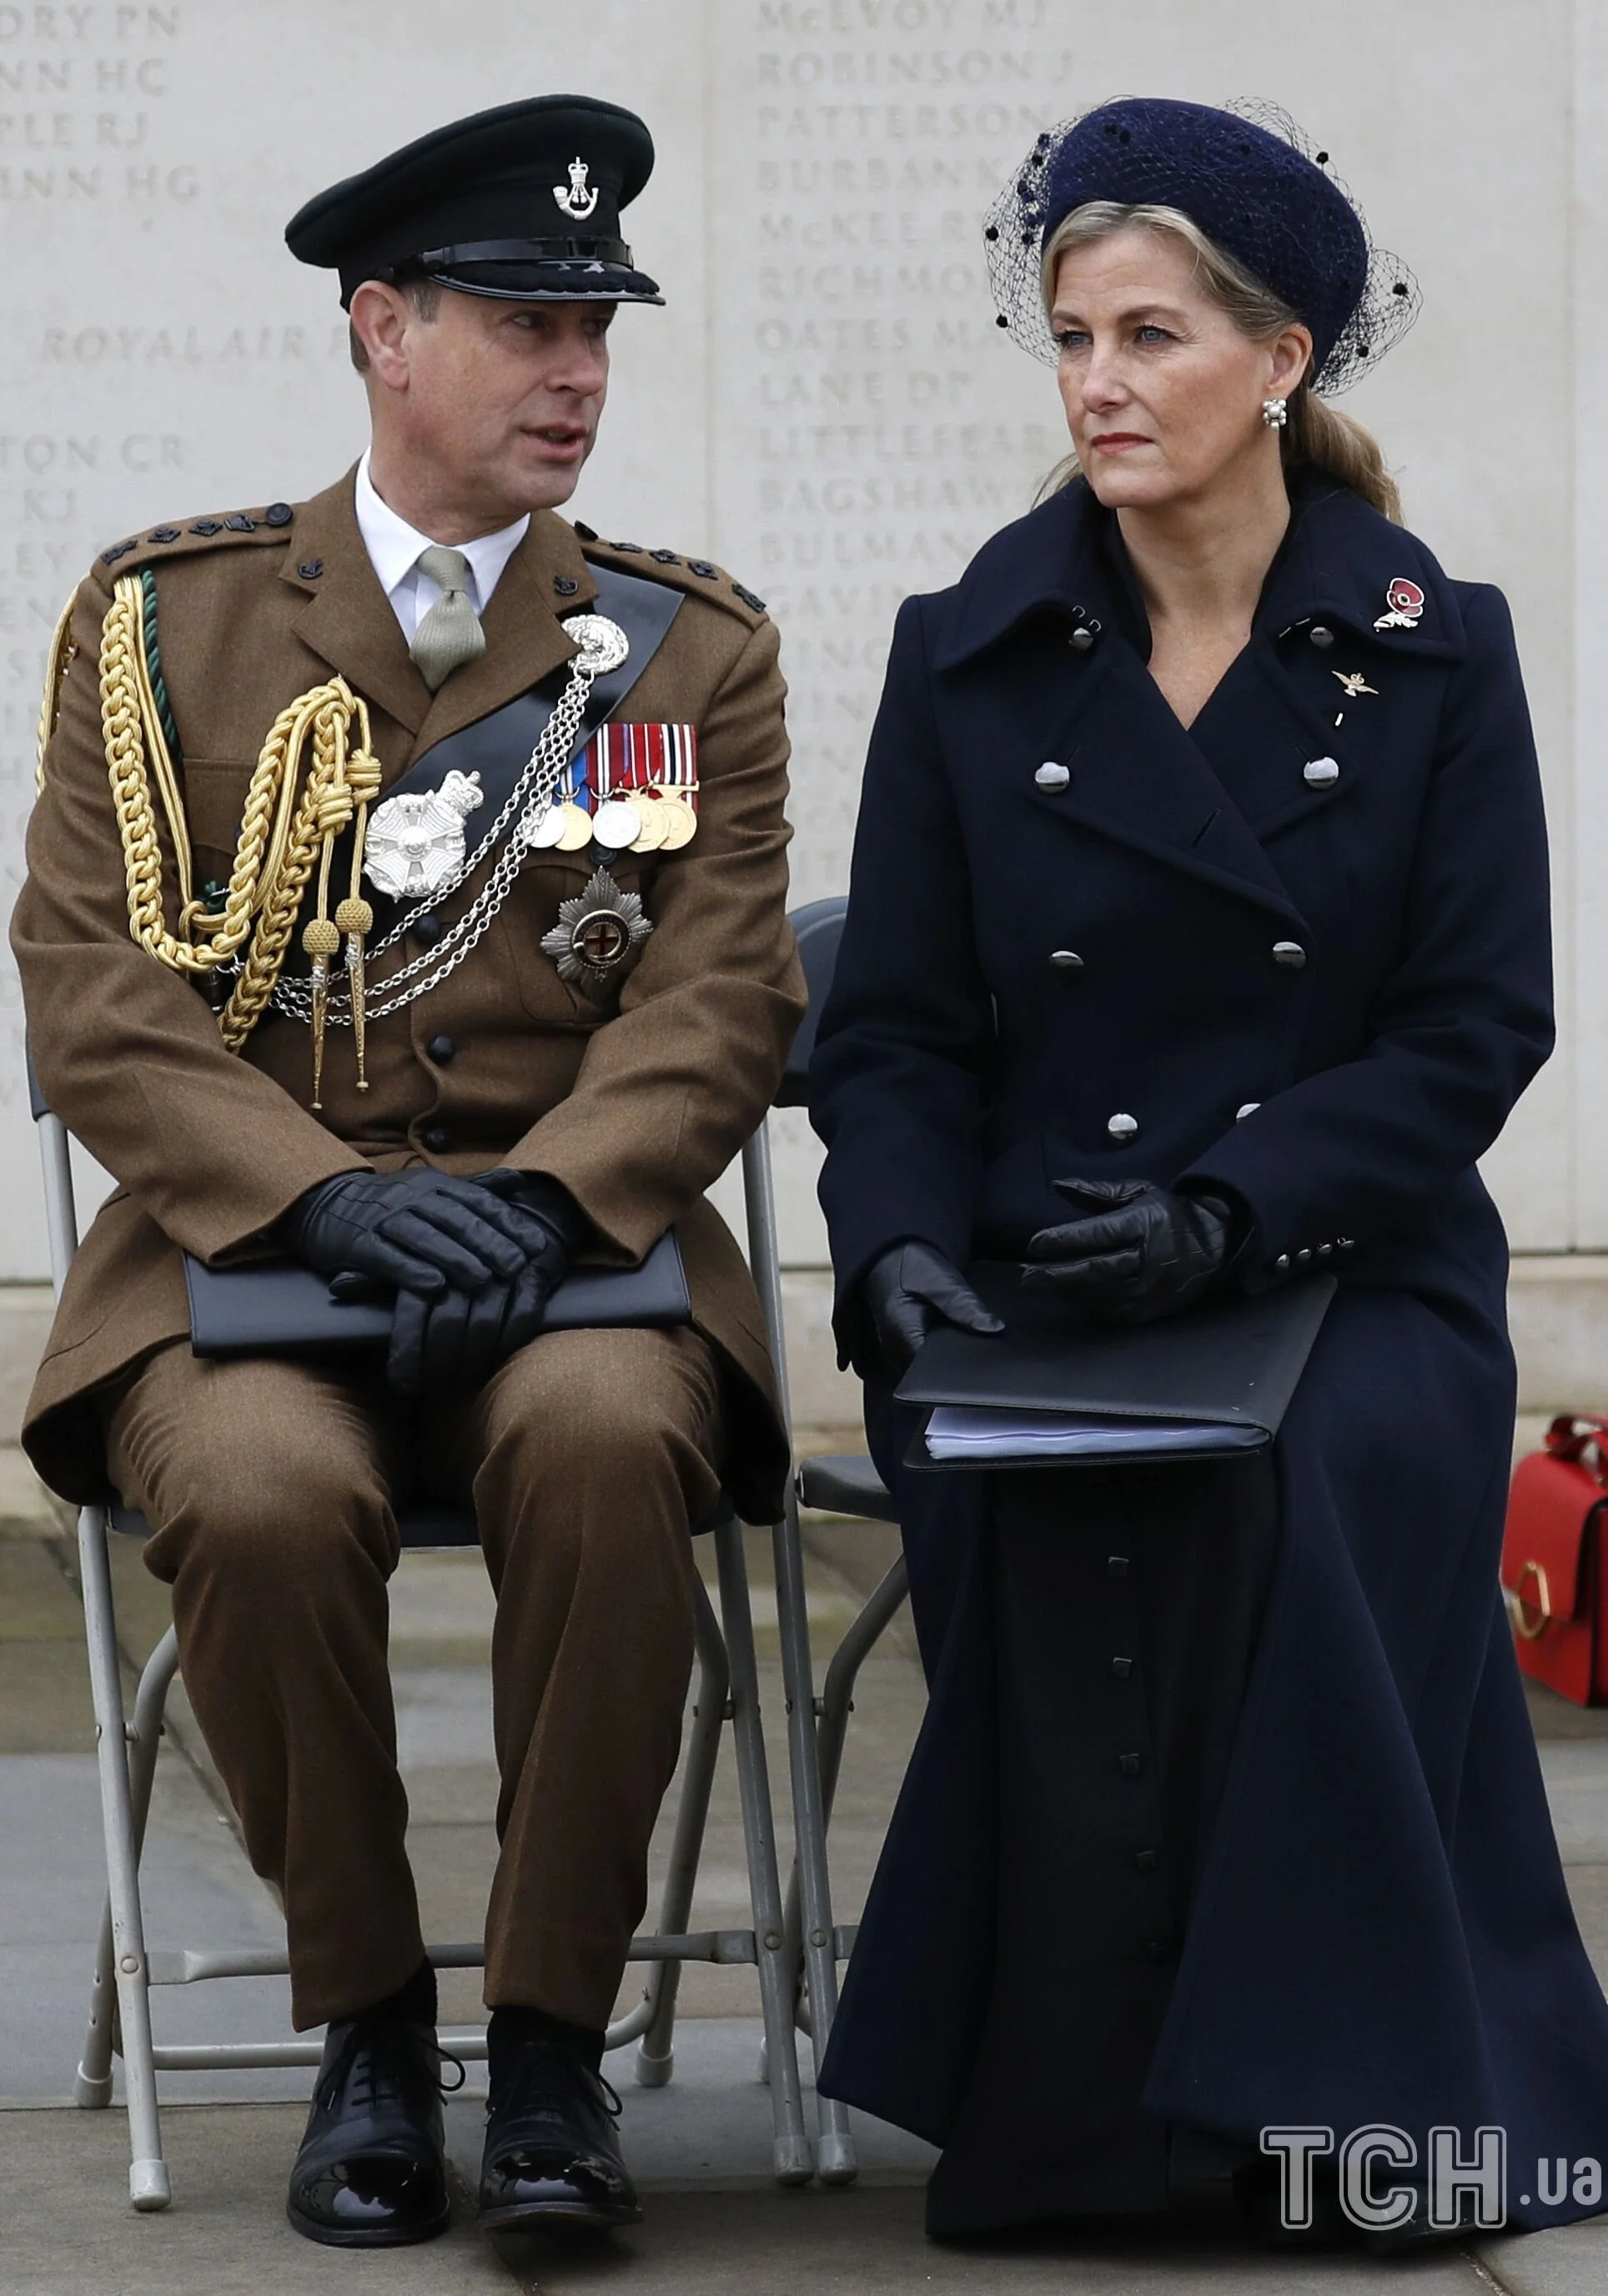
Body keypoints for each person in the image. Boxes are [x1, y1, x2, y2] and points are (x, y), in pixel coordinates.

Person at [809, 97, 1608, 2249]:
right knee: (1055, 1482)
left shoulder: (1439, 646)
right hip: (1038, 1265)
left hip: (1344, 1255)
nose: (1097, 382)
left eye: (1151, 335)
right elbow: (895, 1033)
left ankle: (1316, 2116)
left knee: (1305, 1469)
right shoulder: (966, 650)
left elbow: (1473, 1026)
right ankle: (1088, 2124)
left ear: (1280, 360)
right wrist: (894, 1249)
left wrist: (1238, 1209)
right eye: (1072, 336)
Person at [15, 94, 803, 2247]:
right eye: (531, 323)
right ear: (382, 328)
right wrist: (322, 1197)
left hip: (575, 1262)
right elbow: (89, 982)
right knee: (264, 1494)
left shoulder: (687, 649)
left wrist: (547, 1203)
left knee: (609, 1445)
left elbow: (721, 994)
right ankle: (366, 2030)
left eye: (599, 330)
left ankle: (546, 2051)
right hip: (247, 1264)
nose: (581, 373)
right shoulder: (162, 623)